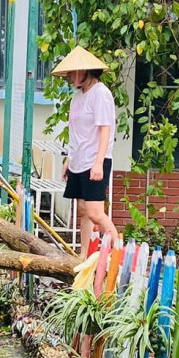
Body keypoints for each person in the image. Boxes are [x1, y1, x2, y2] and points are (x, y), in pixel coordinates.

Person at [52, 45, 119, 250]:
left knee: (95, 212)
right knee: (82, 209)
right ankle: (85, 255)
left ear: (84, 71)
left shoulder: (100, 93)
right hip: (78, 160)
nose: (71, 77)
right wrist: (68, 160)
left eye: (73, 72)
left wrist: (98, 163)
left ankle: (118, 253)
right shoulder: (78, 96)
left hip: (95, 160)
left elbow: (105, 129)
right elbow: (76, 133)